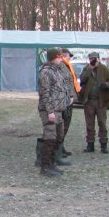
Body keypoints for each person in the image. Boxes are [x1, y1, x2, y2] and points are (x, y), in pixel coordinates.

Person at [37, 47, 72, 176]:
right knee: (50, 138)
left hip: (59, 109)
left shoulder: (57, 70)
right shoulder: (46, 72)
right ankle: (45, 166)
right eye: (59, 56)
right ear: (54, 57)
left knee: (58, 137)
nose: (61, 59)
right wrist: (50, 111)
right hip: (49, 110)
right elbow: (45, 93)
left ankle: (52, 163)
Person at [79, 51, 109, 153]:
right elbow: (82, 80)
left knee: (102, 123)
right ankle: (90, 144)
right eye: (91, 59)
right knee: (89, 124)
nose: (93, 60)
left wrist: (106, 85)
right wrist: (90, 68)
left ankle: (103, 145)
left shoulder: (104, 69)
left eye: (94, 58)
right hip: (89, 101)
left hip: (101, 101)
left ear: (98, 59)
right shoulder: (87, 68)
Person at [59, 49, 79, 157]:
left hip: (69, 100)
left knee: (66, 125)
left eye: (69, 56)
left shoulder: (68, 66)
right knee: (62, 125)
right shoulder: (61, 66)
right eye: (67, 55)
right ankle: (58, 149)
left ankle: (61, 147)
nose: (69, 57)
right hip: (64, 100)